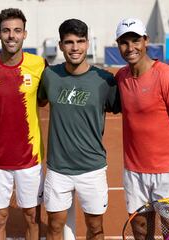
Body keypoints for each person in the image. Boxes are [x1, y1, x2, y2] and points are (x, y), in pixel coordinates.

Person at [114, 18, 169, 240]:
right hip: (134, 173)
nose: (130, 47)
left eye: (135, 40)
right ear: (118, 44)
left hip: (168, 175)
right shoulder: (121, 77)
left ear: (146, 41)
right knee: (142, 234)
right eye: (124, 42)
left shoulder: (167, 76)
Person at [38, 18, 121, 239]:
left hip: (92, 168)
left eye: (80, 41)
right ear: (60, 45)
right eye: (69, 42)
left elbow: (125, 107)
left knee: (95, 227)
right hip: (58, 169)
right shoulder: (49, 76)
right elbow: (39, 101)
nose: (75, 48)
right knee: (54, 226)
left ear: (87, 44)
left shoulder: (104, 80)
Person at [0, 8, 46, 240]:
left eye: (17, 30)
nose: (11, 36)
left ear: (25, 34)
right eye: (6, 31)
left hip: (30, 157)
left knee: (32, 218)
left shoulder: (38, 65)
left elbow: (44, 99)